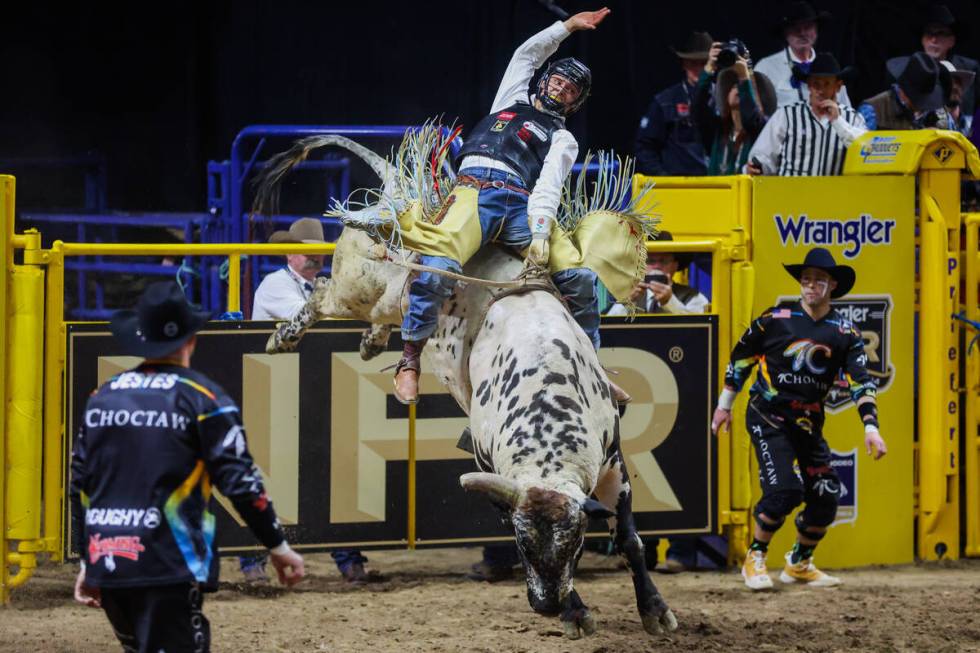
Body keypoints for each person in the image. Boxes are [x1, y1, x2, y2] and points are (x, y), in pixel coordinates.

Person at [392, 7, 628, 406]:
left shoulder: (562, 138)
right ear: (545, 80)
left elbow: (549, 186)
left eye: (570, 91)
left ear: (575, 103)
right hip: (471, 194)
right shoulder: (511, 98)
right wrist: (567, 27)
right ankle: (409, 360)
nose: (560, 91)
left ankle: (591, 366)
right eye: (558, 81)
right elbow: (526, 55)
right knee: (436, 270)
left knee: (582, 280)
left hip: (520, 203)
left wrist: (539, 233)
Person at [70, 281, 305, 651]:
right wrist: (277, 545)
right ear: (191, 340)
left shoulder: (103, 396)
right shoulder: (204, 399)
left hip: (110, 556)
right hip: (167, 561)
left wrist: (88, 559)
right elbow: (241, 484)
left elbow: (80, 484)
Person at [711, 248, 887, 591]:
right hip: (767, 414)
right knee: (783, 491)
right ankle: (755, 556)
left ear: (832, 285)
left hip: (808, 422)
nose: (811, 286)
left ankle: (799, 563)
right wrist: (724, 405)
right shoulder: (775, 318)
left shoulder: (845, 333)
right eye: (806, 279)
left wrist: (871, 428)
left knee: (826, 493)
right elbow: (741, 360)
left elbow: (861, 383)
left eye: (819, 280)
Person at [251, 218, 378, 584]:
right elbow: (310, 319)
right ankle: (250, 562)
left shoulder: (316, 286)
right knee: (271, 479)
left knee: (329, 476)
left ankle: (347, 559)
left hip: (312, 394)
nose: (315, 259)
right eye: (308, 252)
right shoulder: (276, 284)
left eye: (320, 253)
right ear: (290, 253)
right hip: (278, 395)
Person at [746, 53, 866, 177]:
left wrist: (838, 121)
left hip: (833, 193)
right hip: (791, 192)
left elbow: (865, 152)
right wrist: (758, 167)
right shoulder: (787, 115)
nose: (821, 90)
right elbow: (763, 155)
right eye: (816, 84)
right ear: (808, 85)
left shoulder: (852, 118)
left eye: (827, 84)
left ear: (838, 86)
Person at [634, 31, 713, 176]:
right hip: (678, 187)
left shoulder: (724, 99)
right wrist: (663, 180)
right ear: (683, 63)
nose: (698, 69)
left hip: (720, 184)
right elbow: (645, 147)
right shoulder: (665, 101)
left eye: (703, 64)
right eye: (692, 63)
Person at [693, 42, 776, 175]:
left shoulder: (762, 128)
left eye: (741, 86)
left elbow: (750, 118)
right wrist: (709, 69)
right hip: (716, 194)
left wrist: (744, 76)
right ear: (725, 94)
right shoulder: (717, 130)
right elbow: (697, 108)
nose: (738, 88)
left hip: (747, 194)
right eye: (733, 85)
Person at [754, 1, 851, 109]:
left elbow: (847, 109)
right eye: (795, 28)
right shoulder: (766, 67)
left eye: (808, 26)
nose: (802, 33)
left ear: (816, 30)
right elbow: (758, 112)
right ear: (785, 34)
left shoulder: (829, 66)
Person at [886, 4, 978, 118]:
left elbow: (970, 111)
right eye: (929, 33)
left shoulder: (966, 68)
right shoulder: (904, 69)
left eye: (941, 33)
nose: (933, 39)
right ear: (922, 39)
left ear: (952, 41)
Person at [607, 231, 708, 315]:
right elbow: (606, 329)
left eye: (663, 261)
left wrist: (670, 302)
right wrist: (628, 301)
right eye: (650, 261)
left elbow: (695, 332)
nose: (657, 266)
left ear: (675, 265)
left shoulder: (694, 297)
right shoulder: (629, 295)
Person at [252, 217, 327, 321]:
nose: (315, 256)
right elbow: (304, 315)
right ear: (289, 253)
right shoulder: (274, 282)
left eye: (319, 250)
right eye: (307, 250)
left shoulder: (320, 285)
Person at [858, 52, 952, 131]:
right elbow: (861, 149)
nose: (922, 106)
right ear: (903, 90)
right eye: (918, 99)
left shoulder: (938, 113)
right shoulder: (874, 109)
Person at [940, 60, 975, 136]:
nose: (955, 86)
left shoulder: (970, 126)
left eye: (958, 82)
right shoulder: (926, 125)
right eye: (949, 82)